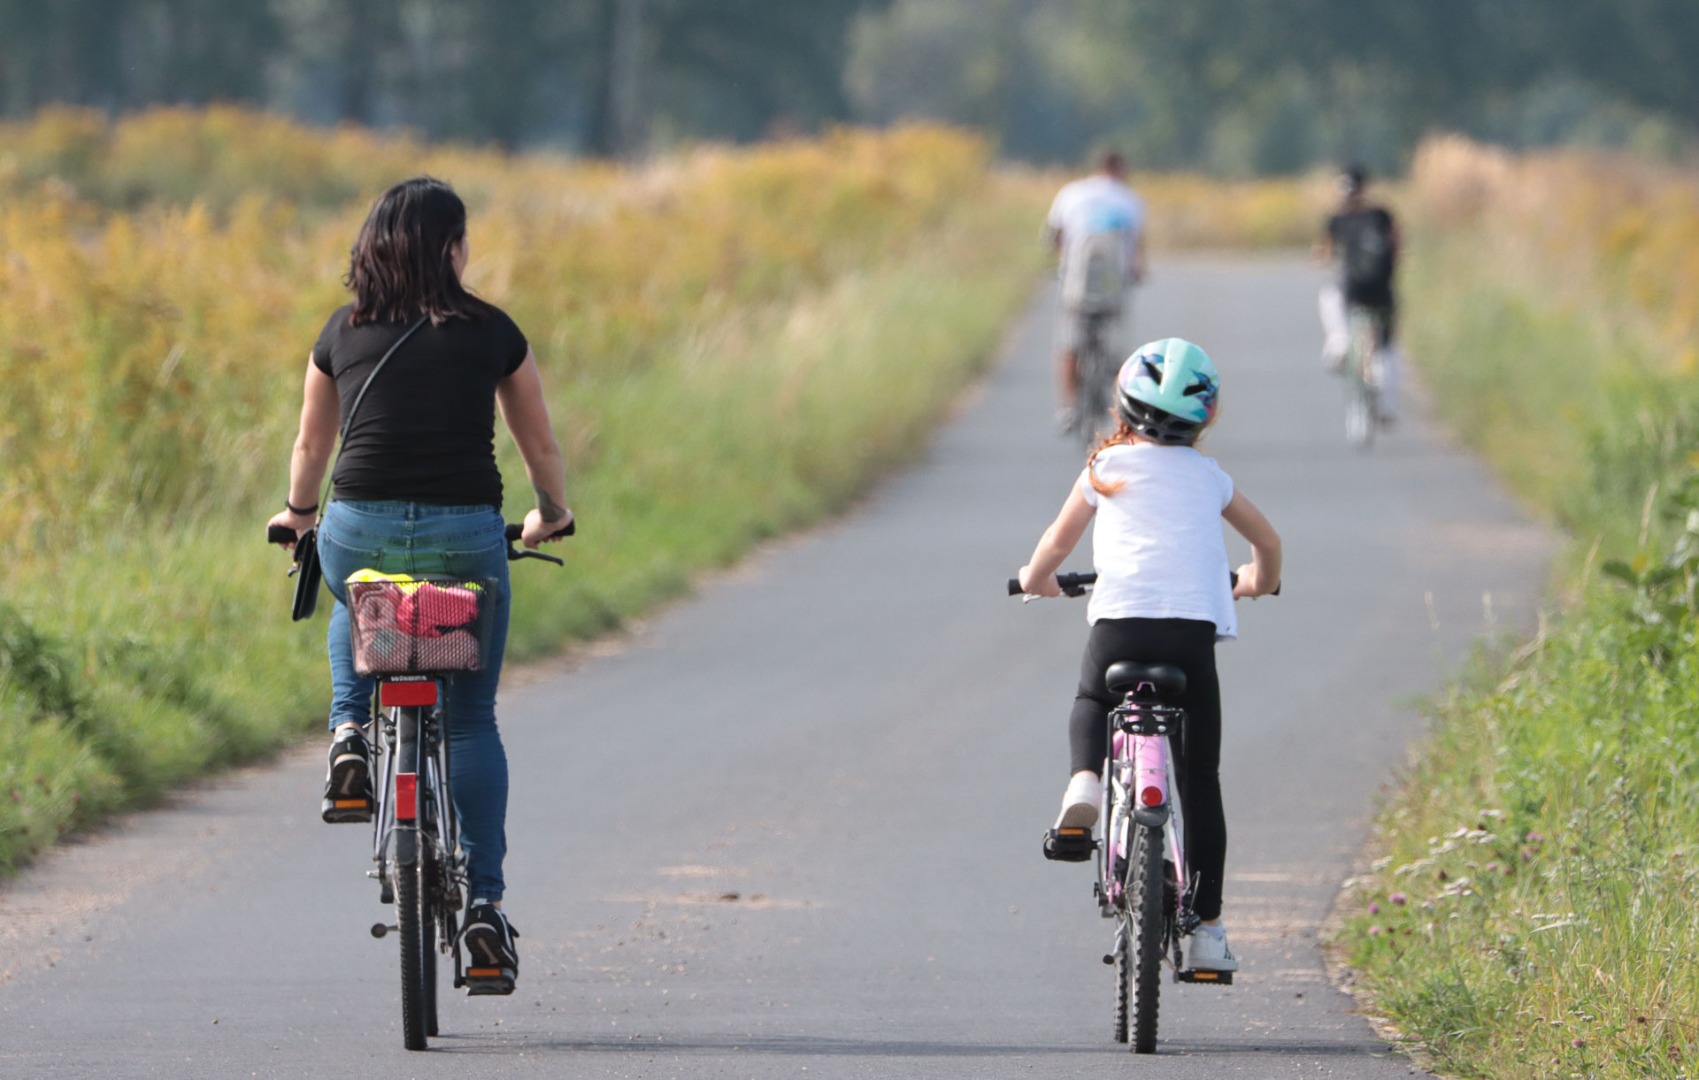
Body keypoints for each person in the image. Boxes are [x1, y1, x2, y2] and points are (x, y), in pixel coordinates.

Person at [267, 176, 572, 996]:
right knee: (470, 718)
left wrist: (299, 515)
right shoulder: (493, 332)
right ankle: (484, 904)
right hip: (463, 538)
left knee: (352, 590)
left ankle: (348, 738)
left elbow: (308, 446)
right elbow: (538, 444)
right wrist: (553, 513)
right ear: (450, 247)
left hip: (355, 525)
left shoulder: (341, 331)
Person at [1017, 338, 1281, 972]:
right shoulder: (1210, 478)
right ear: (1206, 417)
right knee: (1200, 782)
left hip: (1120, 629)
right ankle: (1209, 932)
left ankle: (1085, 783)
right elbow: (1267, 542)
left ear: (1121, 403)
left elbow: (1056, 544)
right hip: (1189, 640)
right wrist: (1256, 580)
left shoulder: (1105, 467)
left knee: (1090, 696)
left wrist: (1035, 579)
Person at [1045, 150, 1148, 435]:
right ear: (1120, 169)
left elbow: (1055, 235)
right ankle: (1124, 407)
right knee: (1117, 343)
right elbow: (1136, 249)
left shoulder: (1071, 193)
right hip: (1113, 287)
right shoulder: (1130, 199)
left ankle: (1068, 407)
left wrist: (1062, 260)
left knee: (1068, 341)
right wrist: (1136, 272)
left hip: (1076, 282)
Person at [1317, 164, 1401, 421]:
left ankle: (1340, 342)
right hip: (1382, 290)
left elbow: (1325, 252)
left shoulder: (1337, 220)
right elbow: (1397, 246)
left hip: (1353, 289)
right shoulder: (1381, 215)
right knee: (1387, 347)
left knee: (1329, 297)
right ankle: (1387, 406)